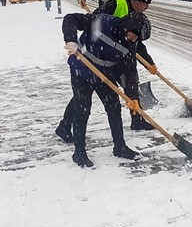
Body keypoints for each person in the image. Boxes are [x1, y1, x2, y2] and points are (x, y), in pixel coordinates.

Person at [55, 0, 155, 143]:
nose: (147, 7)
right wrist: (74, 40)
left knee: (129, 86)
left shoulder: (137, 20)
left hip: (116, 57)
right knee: (82, 98)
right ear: (136, 1)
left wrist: (149, 63)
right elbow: (95, 21)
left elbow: (137, 43)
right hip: (96, 55)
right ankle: (65, 126)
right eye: (145, 4)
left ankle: (137, 120)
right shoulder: (115, 4)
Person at [61, 11, 152, 167]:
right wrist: (71, 40)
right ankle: (79, 152)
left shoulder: (129, 45)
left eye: (138, 38)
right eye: (134, 35)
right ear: (126, 26)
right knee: (82, 109)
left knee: (114, 108)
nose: (134, 39)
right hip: (82, 69)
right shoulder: (101, 21)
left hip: (104, 75)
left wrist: (133, 97)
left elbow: (129, 72)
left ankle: (120, 147)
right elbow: (71, 19)